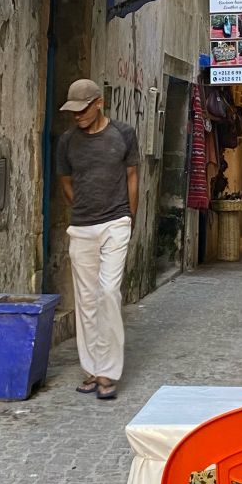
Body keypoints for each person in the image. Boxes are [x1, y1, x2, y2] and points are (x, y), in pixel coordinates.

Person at [56, 78, 140, 401]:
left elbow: (132, 177)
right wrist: (81, 210)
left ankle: (109, 370)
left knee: (108, 292)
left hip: (116, 222)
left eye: (82, 110)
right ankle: (92, 369)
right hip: (82, 226)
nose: (77, 116)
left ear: (99, 103)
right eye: (73, 111)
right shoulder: (67, 142)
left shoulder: (123, 134)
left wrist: (130, 219)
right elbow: (66, 183)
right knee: (86, 300)